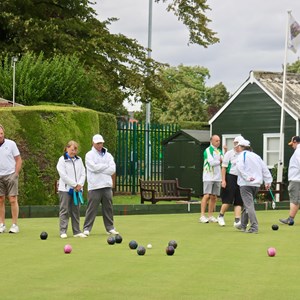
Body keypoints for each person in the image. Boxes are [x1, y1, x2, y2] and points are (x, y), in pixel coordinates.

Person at [83, 134, 119, 235]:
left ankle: (110, 228)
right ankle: (87, 228)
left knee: (108, 208)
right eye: (98, 143)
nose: (100, 145)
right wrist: (105, 166)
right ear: (93, 143)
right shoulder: (89, 155)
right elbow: (93, 168)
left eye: (101, 143)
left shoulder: (108, 155)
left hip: (106, 185)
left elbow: (112, 169)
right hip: (94, 186)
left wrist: (100, 168)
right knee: (91, 208)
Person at [236, 139, 272, 233]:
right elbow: (264, 168)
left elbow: (239, 168)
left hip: (246, 184)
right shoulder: (257, 156)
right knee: (247, 204)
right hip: (256, 184)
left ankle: (254, 227)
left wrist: (247, 177)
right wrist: (268, 181)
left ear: (241, 147)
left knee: (249, 205)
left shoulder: (241, 156)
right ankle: (243, 225)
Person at [56, 140, 87, 238]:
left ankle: (76, 231)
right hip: (65, 189)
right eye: (72, 149)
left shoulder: (79, 159)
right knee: (64, 210)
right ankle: (63, 231)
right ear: (67, 148)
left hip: (77, 189)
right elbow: (63, 176)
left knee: (76, 210)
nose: (73, 152)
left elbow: (83, 172)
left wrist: (80, 184)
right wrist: (74, 185)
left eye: (75, 150)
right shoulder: (62, 160)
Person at [217, 136, 244, 227]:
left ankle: (237, 220)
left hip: (240, 178)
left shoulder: (244, 154)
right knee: (228, 200)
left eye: (238, 144)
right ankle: (220, 216)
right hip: (230, 177)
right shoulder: (229, 154)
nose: (236, 146)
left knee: (239, 200)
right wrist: (223, 180)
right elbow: (224, 168)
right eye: (235, 143)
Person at [0, 124, 22, 233]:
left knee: (13, 199)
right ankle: (2, 224)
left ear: (3, 133)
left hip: (10, 175)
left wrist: (16, 174)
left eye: (1, 133)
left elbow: (18, 159)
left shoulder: (11, 144)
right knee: (0, 200)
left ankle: (14, 225)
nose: (0, 136)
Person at [199, 135, 223, 223]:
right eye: (216, 140)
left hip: (217, 176)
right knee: (207, 195)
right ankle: (202, 215)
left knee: (214, 197)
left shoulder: (219, 151)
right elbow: (211, 162)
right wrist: (219, 161)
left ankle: (210, 215)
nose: (218, 142)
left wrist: (221, 161)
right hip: (208, 176)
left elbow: (224, 161)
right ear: (211, 141)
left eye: (219, 140)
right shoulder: (208, 150)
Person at [279, 136, 300, 225]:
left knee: (294, 199)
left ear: (295, 142)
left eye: (292, 144)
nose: (292, 146)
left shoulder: (298, 151)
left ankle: (290, 219)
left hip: (296, 179)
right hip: (297, 178)